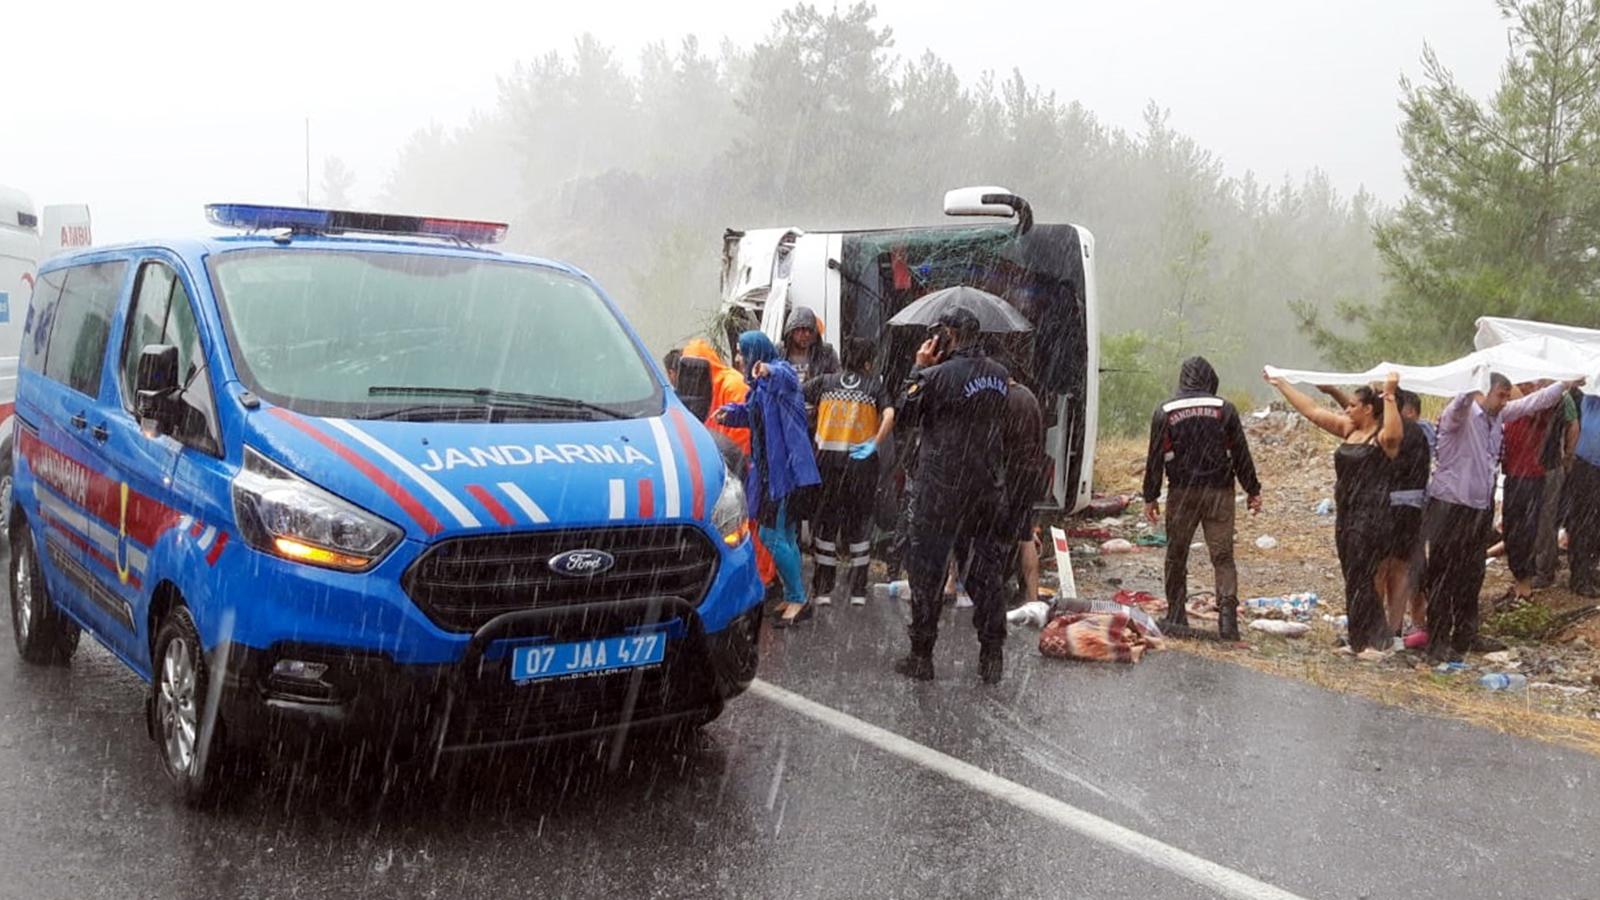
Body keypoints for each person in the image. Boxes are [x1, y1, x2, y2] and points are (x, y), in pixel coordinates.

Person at [1422, 374, 1581, 661]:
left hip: (1479, 509)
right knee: (1444, 574)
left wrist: (1564, 384)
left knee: (1472, 573)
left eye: (1508, 396)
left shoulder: (1499, 415)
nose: (1507, 400)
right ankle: (1437, 641)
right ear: (1483, 391)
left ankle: (1466, 635)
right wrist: (1473, 379)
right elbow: (1458, 405)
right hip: (1450, 507)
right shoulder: (1460, 415)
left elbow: (1533, 402)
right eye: (1502, 395)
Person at [894, 308, 1012, 683]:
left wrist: (919, 368)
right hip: (984, 486)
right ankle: (991, 656)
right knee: (985, 572)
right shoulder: (999, 375)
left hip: (941, 488)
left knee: (927, 573)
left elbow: (904, 413)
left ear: (947, 333)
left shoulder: (935, 376)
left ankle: (921, 655)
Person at [1273, 374, 1407, 654]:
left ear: (1368, 409)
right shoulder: (1350, 430)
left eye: (1353, 405)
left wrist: (1390, 394)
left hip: (1373, 517)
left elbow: (1395, 433)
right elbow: (1312, 411)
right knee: (1354, 577)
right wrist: (1282, 384)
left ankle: (1372, 640)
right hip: (1347, 514)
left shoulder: (1381, 437)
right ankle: (1364, 638)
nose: (1347, 409)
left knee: (1363, 577)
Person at [1142, 357, 1262, 641]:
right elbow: (1241, 453)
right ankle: (1228, 622)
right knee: (1222, 557)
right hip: (1220, 492)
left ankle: (1175, 615)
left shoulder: (1165, 411)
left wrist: (1150, 496)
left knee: (1176, 555)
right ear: (1210, 379)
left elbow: (1155, 458)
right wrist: (1253, 490)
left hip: (1182, 493)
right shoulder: (1225, 410)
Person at [716, 331, 822, 627]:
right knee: (784, 535)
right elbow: (752, 414)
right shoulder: (758, 389)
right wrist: (730, 414)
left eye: (741, 352)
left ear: (756, 354)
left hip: (784, 473)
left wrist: (767, 369)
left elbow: (786, 378)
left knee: (771, 536)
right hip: (768, 474)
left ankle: (799, 598)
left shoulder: (779, 374)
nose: (738, 358)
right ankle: (793, 595)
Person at [805, 336, 895, 606]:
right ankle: (857, 591)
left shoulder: (825, 382)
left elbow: (794, 395)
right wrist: (874, 442)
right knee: (858, 527)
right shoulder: (873, 386)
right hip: (861, 467)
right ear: (868, 361)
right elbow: (890, 415)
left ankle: (823, 590)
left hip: (827, 466)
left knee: (826, 527)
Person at [1500, 382, 1561, 603]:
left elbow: (1532, 402)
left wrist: (1516, 383)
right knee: (1511, 530)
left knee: (1524, 532)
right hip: (1513, 476)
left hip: (1530, 477)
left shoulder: (1537, 407)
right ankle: (1520, 583)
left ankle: (1525, 586)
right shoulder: (1510, 408)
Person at [996, 353, 1046, 608]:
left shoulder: (1002, 398)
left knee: (991, 533)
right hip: (1029, 474)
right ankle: (1032, 596)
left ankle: (990, 591)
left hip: (1007, 475)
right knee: (1025, 536)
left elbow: (997, 442)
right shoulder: (1029, 396)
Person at [1535, 388, 1582, 588]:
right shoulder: (1529, 396)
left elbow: (1573, 425)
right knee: (1536, 518)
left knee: (1546, 518)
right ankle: (1542, 563)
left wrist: (1568, 455)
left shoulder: (1563, 398)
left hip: (1551, 465)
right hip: (1528, 469)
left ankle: (1544, 570)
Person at [1569, 392, 1600, 598]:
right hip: (1587, 466)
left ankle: (1592, 568)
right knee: (1583, 522)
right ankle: (1579, 576)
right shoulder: (1591, 396)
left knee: (1597, 523)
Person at [782, 306, 840, 384]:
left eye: (810, 330)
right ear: (791, 331)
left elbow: (836, 381)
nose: (807, 334)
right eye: (802, 329)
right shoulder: (779, 353)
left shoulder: (827, 354)